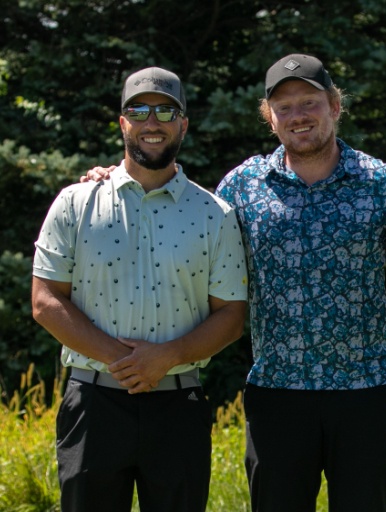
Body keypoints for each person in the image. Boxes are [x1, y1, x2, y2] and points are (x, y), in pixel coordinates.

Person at [31, 66, 249, 512]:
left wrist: (165, 358)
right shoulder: (76, 201)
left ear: (183, 124)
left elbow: (231, 315)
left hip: (178, 406)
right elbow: (45, 301)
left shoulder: (215, 215)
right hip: (93, 403)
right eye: (140, 109)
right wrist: (126, 362)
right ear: (123, 122)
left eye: (166, 110)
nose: (153, 121)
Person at [215, 54, 386, 512]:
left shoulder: (380, 183)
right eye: (284, 107)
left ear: (334, 105)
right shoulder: (241, 187)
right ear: (269, 117)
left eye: (309, 102)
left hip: (365, 392)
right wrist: (115, 176)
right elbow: (191, 242)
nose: (298, 116)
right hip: (276, 394)